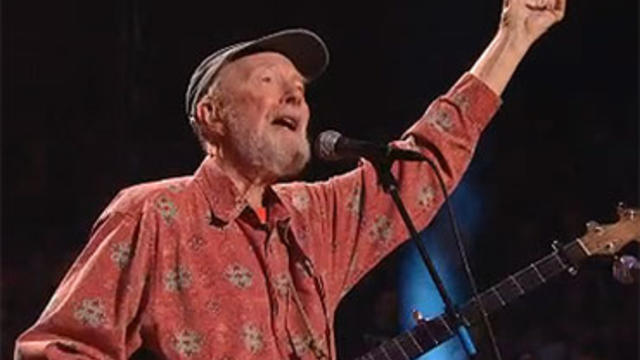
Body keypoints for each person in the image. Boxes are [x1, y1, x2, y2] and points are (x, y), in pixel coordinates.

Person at [15, 0, 566, 358]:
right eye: (268, 80)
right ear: (211, 115)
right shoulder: (156, 215)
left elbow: (423, 163)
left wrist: (512, 38)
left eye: (299, 87)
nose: (296, 94)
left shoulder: (315, 218)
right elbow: (54, 349)